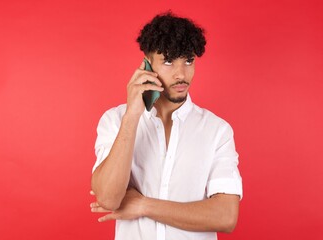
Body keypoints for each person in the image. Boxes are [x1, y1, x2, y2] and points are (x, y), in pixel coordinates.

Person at [90, 12, 243, 240]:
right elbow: (109, 198)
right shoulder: (115, 120)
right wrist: (133, 115)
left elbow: (225, 216)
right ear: (147, 64)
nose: (181, 74)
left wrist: (143, 205)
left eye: (188, 61)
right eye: (169, 61)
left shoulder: (217, 131)